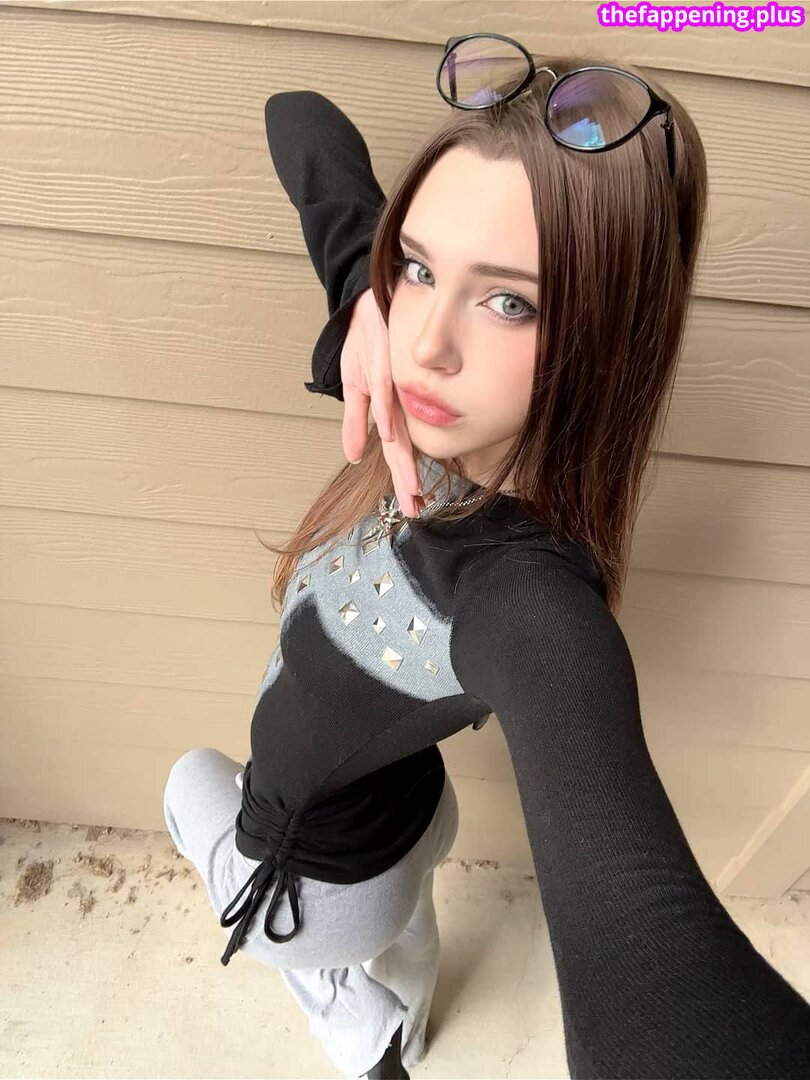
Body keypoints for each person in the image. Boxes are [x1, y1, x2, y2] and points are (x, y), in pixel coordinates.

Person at [164, 42, 810, 1080]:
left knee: (189, 782)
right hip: (418, 818)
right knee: (409, 928)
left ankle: (359, 1022)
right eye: (419, 267)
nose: (426, 342)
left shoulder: (526, 600)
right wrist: (363, 298)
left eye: (509, 302)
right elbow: (299, 114)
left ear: (604, 340)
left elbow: (653, 958)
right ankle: (410, 1002)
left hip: (324, 883)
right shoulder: (395, 365)